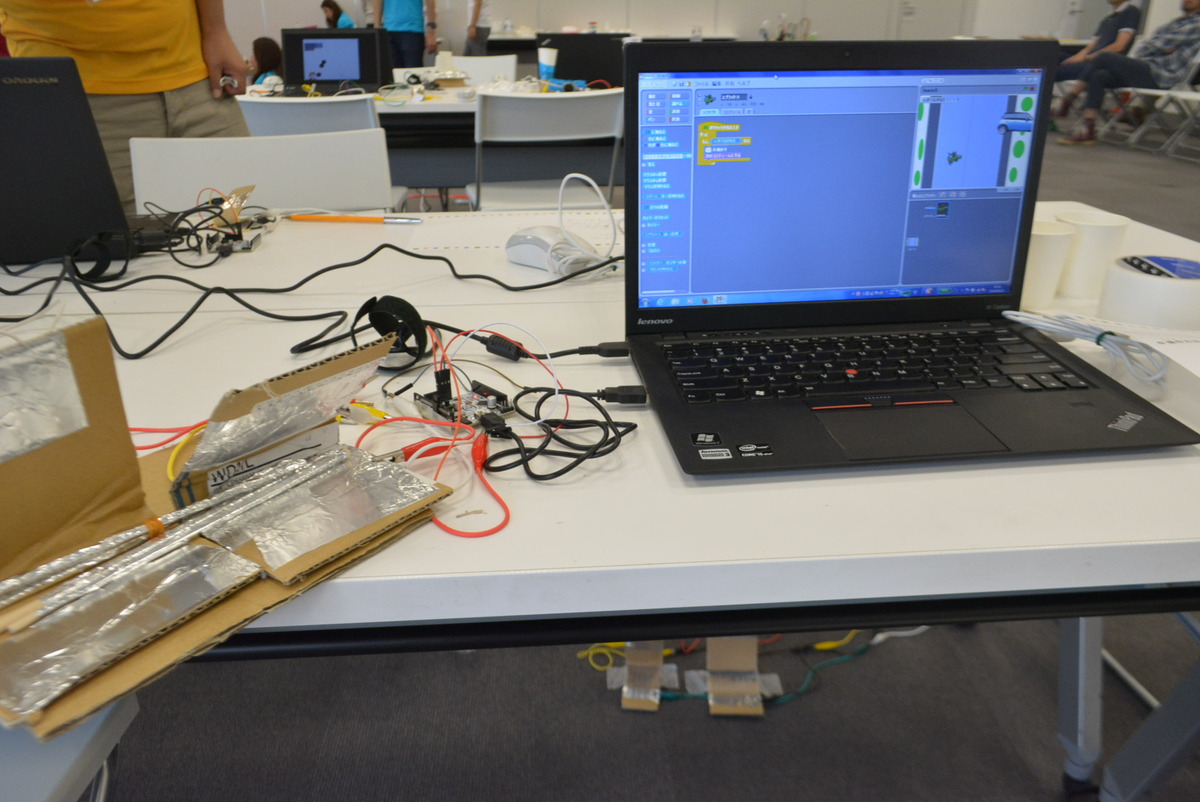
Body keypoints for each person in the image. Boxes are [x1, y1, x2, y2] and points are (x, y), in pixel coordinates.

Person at [0, 0, 249, 213]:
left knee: (244, 216)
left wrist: (216, 31)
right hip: (82, 94)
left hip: (199, 80)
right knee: (117, 244)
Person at [1057, 0, 1200, 145]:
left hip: (1162, 75)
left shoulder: (1196, 24)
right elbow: (1146, 46)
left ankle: (1068, 99)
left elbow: (1157, 44)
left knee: (1104, 57)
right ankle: (1088, 129)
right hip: (1147, 68)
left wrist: (1156, 47)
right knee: (1100, 75)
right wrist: (1159, 48)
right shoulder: (1174, 23)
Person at [1056, 0, 1141, 83]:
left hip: (1102, 64)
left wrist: (1088, 57)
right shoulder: (1108, 18)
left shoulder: (1130, 12)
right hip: (1089, 60)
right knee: (1053, 56)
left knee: (1056, 71)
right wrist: (1073, 59)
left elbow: (1119, 46)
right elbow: (1090, 47)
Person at [374, 0, 437, 69]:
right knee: (392, 73)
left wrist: (431, 32)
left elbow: (430, 1)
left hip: (412, 30)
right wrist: (377, 31)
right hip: (389, 30)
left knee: (412, 72)